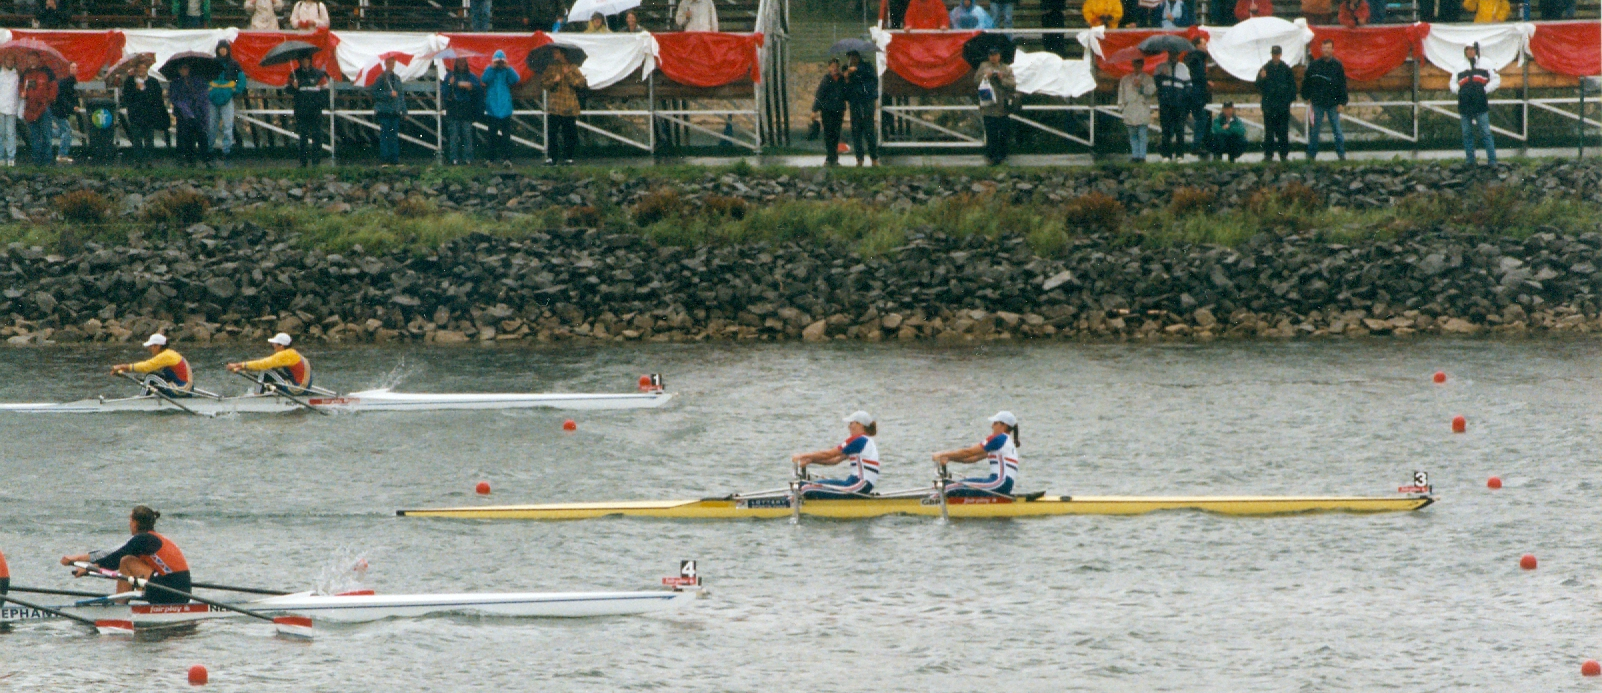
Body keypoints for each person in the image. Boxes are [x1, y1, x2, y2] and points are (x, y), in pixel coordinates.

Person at [60, 506, 191, 605]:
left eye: (130, 519)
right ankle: (122, 603)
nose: (129, 523)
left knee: (126, 561)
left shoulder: (143, 540)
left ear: (135, 523)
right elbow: (112, 552)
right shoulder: (149, 539)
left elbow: (116, 558)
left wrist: (88, 568)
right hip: (180, 592)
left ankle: (120, 607)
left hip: (171, 592)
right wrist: (76, 559)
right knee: (127, 559)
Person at [791, 411, 881, 499]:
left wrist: (801, 456)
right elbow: (834, 460)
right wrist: (811, 460)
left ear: (860, 424)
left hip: (859, 485)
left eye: (851, 423)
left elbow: (829, 454)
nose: (849, 427)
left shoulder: (859, 440)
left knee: (806, 488)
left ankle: (793, 504)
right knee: (805, 485)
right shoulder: (865, 441)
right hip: (856, 483)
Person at [932, 411, 1021, 498]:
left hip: (998, 483)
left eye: (995, 423)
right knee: (951, 485)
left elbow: (968, 452)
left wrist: (941, 454)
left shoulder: (999, 438)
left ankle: (928, 504)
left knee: (947, 487)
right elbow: (972, 458)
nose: (992, 426)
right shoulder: (1007, 442)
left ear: (1003, 425)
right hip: (1004, 485)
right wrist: (949, 458)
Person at [1453, 44, 1498, 166]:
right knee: (1467, 133)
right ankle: (1470, 161)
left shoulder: (1486, 63)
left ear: (1477, 50)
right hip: (1465, 104)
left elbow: (1496, 79)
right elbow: (1452, 83)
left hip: (1480, 103)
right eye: (1467, 49)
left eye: (1472, 49)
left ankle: (1492, 161)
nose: (1470, 51)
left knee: (1485, 132)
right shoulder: (1459, 66)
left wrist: (1484, 90)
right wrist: (1460, 91)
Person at [1302, 38, 1347, 161]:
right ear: (1321, 49)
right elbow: (1307, 82)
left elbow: (1342, 85)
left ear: (1332, 49)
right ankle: (1311, 155)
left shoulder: (1337, 65)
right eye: (1324, 48)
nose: (1326, 50)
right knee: (1315, 130)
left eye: (1328, 48)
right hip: (1318, 102)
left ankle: (1341, 154)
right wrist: (1306, 96)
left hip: (1333, 103)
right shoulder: (1314, 65)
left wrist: (1342, 102)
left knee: (1337, 130)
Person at [110, 334, 194, 397]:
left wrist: (121, 367)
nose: (149, 349)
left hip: (180, 390)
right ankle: (150, 397)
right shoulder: (170, 353)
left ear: (158, 346)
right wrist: (124, 371)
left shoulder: (166, 356)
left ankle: (142, 400)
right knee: (152, 378)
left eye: (151, 346)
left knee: (150, 377)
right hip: (185, 389)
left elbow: (146, 367)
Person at [227, 332, 313, 394]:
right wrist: (241, 369)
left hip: (297, 389)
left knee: (264, 370)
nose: (273, 346)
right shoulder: (291, 353)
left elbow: (262, 364)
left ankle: (257, 395)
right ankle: (263, 392)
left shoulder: (285, 355)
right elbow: (265, 367)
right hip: (301, 387)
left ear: (281, 346)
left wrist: (237, 365)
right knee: (268, 370)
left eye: (274, 344)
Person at [542, 48, 585, 165]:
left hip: (568, 106)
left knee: (569, 133)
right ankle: (552, 157)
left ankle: (568, 157)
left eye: (556, 52)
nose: (554, 54)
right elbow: (544, 83)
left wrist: (569, 74)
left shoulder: (573, 67)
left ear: (562, 53)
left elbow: (580, 83)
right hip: (555, 106)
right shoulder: (551, 68)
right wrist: (554, 81)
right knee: (552, 133)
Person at [1255, 45, 1295, 162]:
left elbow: (1292, 88)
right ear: (1271, 54)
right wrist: (1261, 78)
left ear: (1280, 55)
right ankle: (1268, 155)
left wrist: (1287, 102)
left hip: (1282, 107)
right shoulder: (1265, 68)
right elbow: (1258, 85)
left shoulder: (1286, 69)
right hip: (1269, 107)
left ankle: (1283, 155)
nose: (1275, 56)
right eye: (1273, 54)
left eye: (1277, 54)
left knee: (1283, 132)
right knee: (1269, 132)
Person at [121, 63, 167, 163]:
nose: (142, 70)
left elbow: (157, 98)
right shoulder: (130, 81)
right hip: (136, 114)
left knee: (149, 138)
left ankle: (149, 160)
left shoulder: (153, 81)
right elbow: (127, 97)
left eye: (144, 68)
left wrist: (145, 91)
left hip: (149, 114)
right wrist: (135, 89)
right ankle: (138, 160)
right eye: (139, 68)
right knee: (137, 139)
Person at [975, 46, 1013, 166]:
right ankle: (991, 156)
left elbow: (1012, 83)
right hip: (988, 105)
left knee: (1002, 132)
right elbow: (976, 80)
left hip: (1002, 106)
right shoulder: (983, 66)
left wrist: (1002, 79)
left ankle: (1002, 155)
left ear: (999, 56)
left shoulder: (1006, 68)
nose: (993, 58)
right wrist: (986, 76)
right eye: (991, 55)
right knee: (990, 132)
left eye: (996, 55)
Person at [480, 50, 520, 165]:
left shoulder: (506, 72)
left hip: (505, 107)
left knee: (506, 135)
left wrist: (508, 67)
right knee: (491, 135)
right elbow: (484, 79)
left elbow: (516, 79)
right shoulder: (490, 70)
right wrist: (492, 67)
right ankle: (490, 158)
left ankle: (507, 158)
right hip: (492, 108)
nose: (500, 64)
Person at [287, 57, 328, 167]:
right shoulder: (294, 74)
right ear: (300, 62)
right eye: (303, 60)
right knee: (303, 137)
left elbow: (325, 92)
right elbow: (288, 90)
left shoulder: (319, 74)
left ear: (310, 61)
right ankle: (303, 162)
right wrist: (293, 86)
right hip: (301, 110)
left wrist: (320, 104)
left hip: (315, 110)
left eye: (307, 60)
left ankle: (316, 162)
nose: (305, 62)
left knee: (317, 136)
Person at [169, 61, 211, 167]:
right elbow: (175, 98)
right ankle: (190, 159)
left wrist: (198, 107)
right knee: (186, 137)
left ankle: (205, 159)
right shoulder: (175, 82)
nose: (184, 71)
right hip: (184, 114)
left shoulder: (198, 80)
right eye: (181, 68)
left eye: (186, 68)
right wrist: (187, 111)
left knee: (202, 135)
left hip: (198, 112)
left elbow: (203, 94)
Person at [208, 40, 243, 165]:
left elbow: (242, 79)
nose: (222, 51)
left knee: (228, 127)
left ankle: (226, 151)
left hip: (227, 99)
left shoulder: (234, 64)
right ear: (217, 50)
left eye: (225, 48)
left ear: (228, 50)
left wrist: (235, 91)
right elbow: (205, 79)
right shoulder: (211, 63)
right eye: (220, 48)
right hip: (212, 100)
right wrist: (209, 92)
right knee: (211, 126)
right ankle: (209, 149)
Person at [441, 57, 481, 165]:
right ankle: (453, 158)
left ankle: (468, 158)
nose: (461, 64)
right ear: (456, 63)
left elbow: (478, 89)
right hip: (454, 107)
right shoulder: (450, 76)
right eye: (459, 62)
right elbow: (443, 91)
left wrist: (471, 87)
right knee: (453, 135)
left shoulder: (471, 76)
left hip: (466, 108)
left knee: (467, 134)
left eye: (463, 62)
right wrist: (450, 83)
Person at [842, 51, 879, 167]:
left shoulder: (867, 67)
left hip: (867, 101)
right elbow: (845, 89)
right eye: (850, 57)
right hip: (855, 103)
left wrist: (857, 71)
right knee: (856, 131)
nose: (852, 59)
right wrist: (847, 79)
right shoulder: (847, 70)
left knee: (869, 130)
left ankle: (874, 158)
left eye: (854, 57)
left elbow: (873, 81)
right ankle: (859, 158)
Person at [1153, 50, 1190, 161]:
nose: (1173, 56)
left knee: (1180, 129)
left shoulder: (1183, 67)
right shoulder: (1160, 66)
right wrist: (1161, 75)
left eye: (1175, 54)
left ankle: (1180, 155)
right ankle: (1166, 155)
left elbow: (1188, 85)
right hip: (1165, 103)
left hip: (1179, 103)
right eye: (1172, 54)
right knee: (1166, 129)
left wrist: (1184, 100)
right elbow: (1155, 84)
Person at [20, 56, 57, 167]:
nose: (33, 61)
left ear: (39, 59)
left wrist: (48, 100)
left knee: (46, 135)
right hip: (30, 109)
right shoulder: (25, 73)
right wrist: (22, 92)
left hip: (44, 108)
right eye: (31, 59)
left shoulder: (47, 72)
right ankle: (36, 162)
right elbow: (21, 87)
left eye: (35, 59)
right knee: (34, 136)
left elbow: (53, 87)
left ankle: (47, 162)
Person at [1117, 57, 1156, 163]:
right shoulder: (1125, 79)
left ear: (1142, 65)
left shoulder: (1148, 79)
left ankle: (1142, 156)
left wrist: (1141, 87)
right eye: (1135, 63)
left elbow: (1151, 91)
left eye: (1139, 64)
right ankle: (1135, 155)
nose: (1137, 66)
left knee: (1142, 134)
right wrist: (1121, 107)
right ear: (1133, 64)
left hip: (1142, 108)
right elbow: (1121, 93)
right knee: (1132, 134)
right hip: (1130, 109)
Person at [810, 58, 847, 167]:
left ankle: (834, 158)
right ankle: (829, 157)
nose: (835, 68)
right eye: (832, 66)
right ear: (829, 68)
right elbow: (819, 95)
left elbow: (846, 93)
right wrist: (814, 110)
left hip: (838, 110)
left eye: (836, 66)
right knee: (828, 133)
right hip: (827, 110)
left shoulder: (842, 80)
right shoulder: (826, 80)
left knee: (836, 134)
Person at [371, 54, 406, 165]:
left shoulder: (397, 79)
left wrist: (404, 110)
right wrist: (388, 94)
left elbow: (401, 95)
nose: (391, 65)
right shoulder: (381, 78)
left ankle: (394, 158)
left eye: (393, 63)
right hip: (384, 110)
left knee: (394, 135)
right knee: (385, 135)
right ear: (385, 63)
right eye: (389, 63)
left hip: (395, 110)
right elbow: (375, 94)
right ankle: (384, 158)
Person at [1184, 39, 1211, 158]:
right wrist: (1205, 82)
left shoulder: (1192, 58)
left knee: (1190, 119)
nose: (1206, 47)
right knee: (1201, 119)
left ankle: (1196, 143)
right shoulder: (1197, 59)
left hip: (1191, 93)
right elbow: (1197, 77)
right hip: (1195, 94)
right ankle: (1196, 145)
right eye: (1204, 44)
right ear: (1197, 45)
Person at [49, 61, 76, 164]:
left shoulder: (70, 81)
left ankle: (45, 131)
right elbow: (62, 97)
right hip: (58, 110)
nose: (75, 70)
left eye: (75, 68)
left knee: (60, 131)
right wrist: (71, 107)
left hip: (59, 110)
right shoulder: (64, 82)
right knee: (67, 130)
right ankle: (62, 154)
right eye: (72, 67)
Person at [0, 55, 17, 167]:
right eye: (8, 59)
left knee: (10, 133)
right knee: (1, 133)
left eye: (12, 60)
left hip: (11, 108)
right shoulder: (1, 74)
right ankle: (1, 156)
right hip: (0, 107)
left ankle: (11, 156)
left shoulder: (16, 75)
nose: (10, 61)